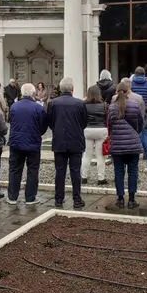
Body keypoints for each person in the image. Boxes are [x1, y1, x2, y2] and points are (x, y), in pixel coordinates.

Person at [47, 77, 87, 208]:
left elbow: (50, 122)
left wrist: (57, 130)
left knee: (60, 171)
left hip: (59, 141)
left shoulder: (53, 103)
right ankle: (76, 199)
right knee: (75, 171)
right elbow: (84, 122)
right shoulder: (79, 103)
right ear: (72, 89)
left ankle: (58, 199)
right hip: (76, 141)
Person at [6, 83, 48, 205]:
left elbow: (11, 121)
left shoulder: (14, 106)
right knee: (32, 170)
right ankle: (30, 197)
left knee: (14, 170)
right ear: (33, 94)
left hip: (16, 142)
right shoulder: (38, 108)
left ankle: (12, 197)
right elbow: (43, 127)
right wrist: (37, 133)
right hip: (32, 143)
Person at [108, 80, 143, 209]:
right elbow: (140, 122)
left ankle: (120, 198)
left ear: (116, 92)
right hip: (133, 144)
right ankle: (132, 199)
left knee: (118, 171)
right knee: (133, 171)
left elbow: (110, 125)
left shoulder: (111, 107)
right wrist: (135, 133)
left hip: (117, 144)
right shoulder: (135, 104)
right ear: (129, 91)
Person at [81, 85, 108, 185]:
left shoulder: (84, 105)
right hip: (101, 129)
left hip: (88, 129)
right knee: (100, 156)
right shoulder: (104, 105)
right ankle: (101, 178)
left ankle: (83, 177)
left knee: (87, 155)